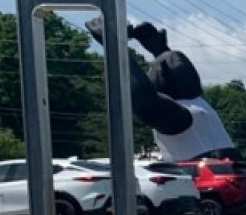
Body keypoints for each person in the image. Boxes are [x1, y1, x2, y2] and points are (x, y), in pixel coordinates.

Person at [86, 19, 236, 163]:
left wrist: (113, 43)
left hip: (198, 185)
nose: (170, 60)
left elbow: (145, 102)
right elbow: (163, 84)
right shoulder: (203, 110)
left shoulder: (185, 116)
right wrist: (160, 50)